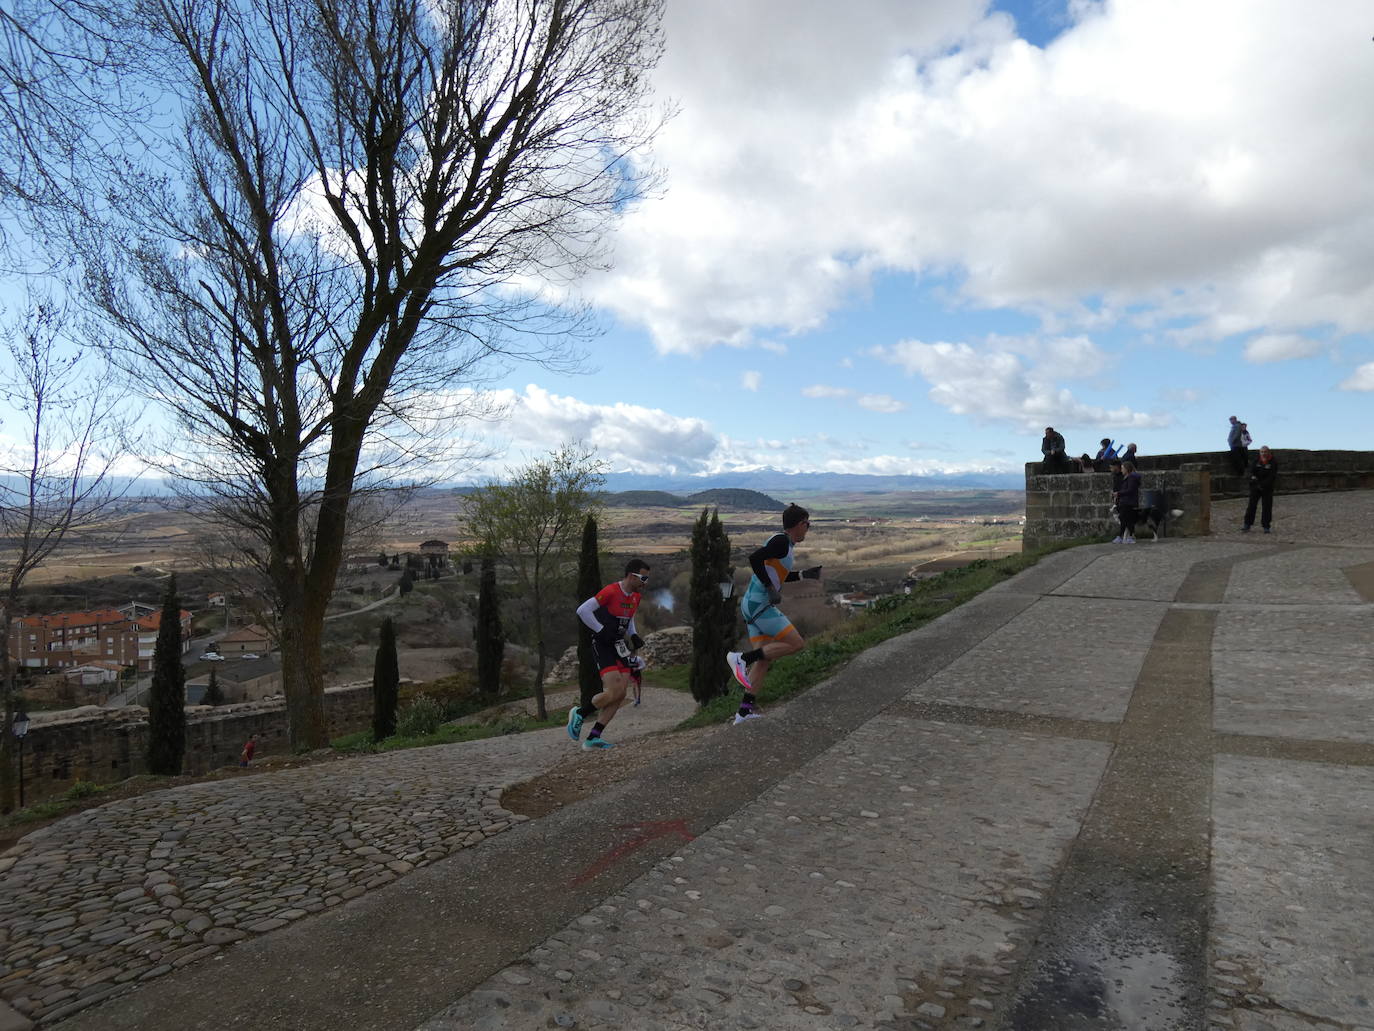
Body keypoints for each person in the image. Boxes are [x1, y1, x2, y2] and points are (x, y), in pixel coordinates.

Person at [725, 504, 822, 724]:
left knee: (765, 659)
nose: (808, 528)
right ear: (800, 524)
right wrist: (769, 587)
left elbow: (777, 574)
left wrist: (804, 575)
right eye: (808, 524)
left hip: (752, 604)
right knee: (797, 644)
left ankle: (744, 712)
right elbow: (754, 559)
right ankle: (741, 658)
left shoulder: (783, 543)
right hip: (760, 605)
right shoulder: (781, 542)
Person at [568, 559, 649, 750]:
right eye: (643, 578)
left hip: (620, 646)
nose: (645, 582)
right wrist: (600, 629)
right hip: (603, 646)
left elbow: (628, 619)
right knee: (613, 691)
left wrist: (634, 634)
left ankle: (593, 738)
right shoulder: (611, 591)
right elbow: (583, 610)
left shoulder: (636, 597)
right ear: (632, 575)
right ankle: (580, 712)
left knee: (620, 695)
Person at [1242, 446, 1278, 533]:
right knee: (1251, 506)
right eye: (1262, 452)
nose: (1263, 453)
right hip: (1255, 487)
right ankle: (1247, 524)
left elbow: (1272, 476)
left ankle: (1266, 526)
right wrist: (1254, 482)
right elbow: (1252, 472)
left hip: (1267, 488)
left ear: (1269, 452)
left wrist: (1262, 485)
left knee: (1267, 507)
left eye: (1265, 452)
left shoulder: (1273, 462)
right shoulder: (1256, 461)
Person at [1113, 461, 1142, 543]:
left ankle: (1130, 536)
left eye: (1122, 468)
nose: (1121, 470)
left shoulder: (1131, 478)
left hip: (1128, 502)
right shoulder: (1128, 478)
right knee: (1124, 519)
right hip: (1125, 501)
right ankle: (1122, 536)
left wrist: (1118, 493)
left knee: (1127, 519)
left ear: (1126, 469)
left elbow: (1130, 490)